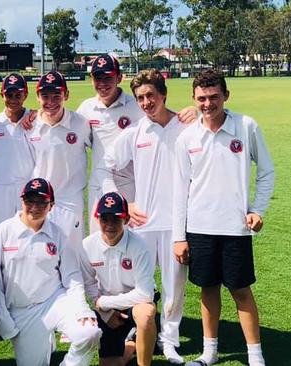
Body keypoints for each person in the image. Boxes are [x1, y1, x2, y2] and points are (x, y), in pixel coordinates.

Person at [172, 69, 274, 366]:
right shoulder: (187, 137)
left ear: (225, 96)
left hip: (235, 227)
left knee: (241, 290)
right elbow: (181, 188)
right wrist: (180, 237)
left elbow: (267, 171)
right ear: (194, 98)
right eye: (202, 98)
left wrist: (257, 209)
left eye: (214, 96)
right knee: (208, 289)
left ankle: (256, 357)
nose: (208, 103)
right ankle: (209, 352)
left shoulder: (246, 126)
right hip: (200, 227)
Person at [105, 69, 188, 363]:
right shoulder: (135, 133)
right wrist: (128, 203)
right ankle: (136, 330)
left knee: (174, 285)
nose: (146, 102)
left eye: (151, 95)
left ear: (163, 94)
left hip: (177, 223)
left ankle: (169, 340)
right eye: (140, 97)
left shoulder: (185, 126)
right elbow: (110, 165)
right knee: (139, 284)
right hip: (144, 223)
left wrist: (191, 112)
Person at [0, 177, 101, 366]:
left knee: (89, 333)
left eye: (42, 202)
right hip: (21, 310)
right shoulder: (3, 233)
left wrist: (82, 308)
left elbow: (72, 276)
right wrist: (7, 323)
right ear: (21, 200)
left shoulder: (58, 234)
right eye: (29, 201)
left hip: (55, 301)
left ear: (52, 205)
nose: (34, 206)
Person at [77, 192, 157, 366]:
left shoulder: (140, 246)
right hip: (108, 309)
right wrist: (106, 313)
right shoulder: (87, 246)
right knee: (111, 364)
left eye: (116, 219)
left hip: (135, 303)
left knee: (145, 315)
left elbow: (145, 294)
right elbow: (88, 283)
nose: (110, 225)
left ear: (126, 219)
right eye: (105, 219)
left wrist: (105, 303)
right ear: (97, 218)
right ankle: (132, 343)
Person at [76, 54, 144, 233]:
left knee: (130, 244)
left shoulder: (135, 106)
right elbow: (67, 131)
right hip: (99, 185)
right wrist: (34, 116)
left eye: (108, 78)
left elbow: (162, 119)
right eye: (98, 78)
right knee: (99, 246)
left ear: (119, 78)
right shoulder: (86, 108)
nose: (102, 83)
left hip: (129, 186)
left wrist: (188, 112)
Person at [26, 71, 94, 249]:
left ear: (66, 95)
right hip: (40, 199)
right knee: (42, 249)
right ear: (37, 97)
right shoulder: (30, 125)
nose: (51, 102)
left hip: (70, 199)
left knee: (73, 250)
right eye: (45, 96)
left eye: (57, 96)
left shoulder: (80, 123)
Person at [0, 73, 35, 226]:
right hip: (2, 189)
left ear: (25, 95)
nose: (13, 100)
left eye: (18, 95)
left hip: (28, 186)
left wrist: (37, 112)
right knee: (1, 232)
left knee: (28, 231)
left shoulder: (35, 120)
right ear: (2, 95)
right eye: (9, 95)